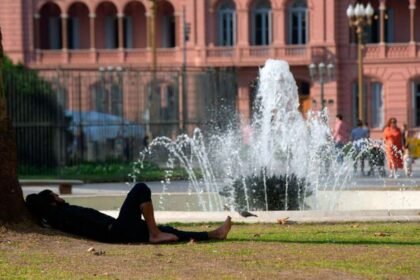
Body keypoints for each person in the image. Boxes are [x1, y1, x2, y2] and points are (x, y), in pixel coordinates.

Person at [25, 183, 232, 244]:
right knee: (140, 189)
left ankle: (214, 234)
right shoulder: (62, 214)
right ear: (51, 201)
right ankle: (154, 233)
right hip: (116, 231)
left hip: (118, 230)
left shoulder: (60, 216)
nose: (60, 197)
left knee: (170, 230)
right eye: (56, 195)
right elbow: (90, 223)